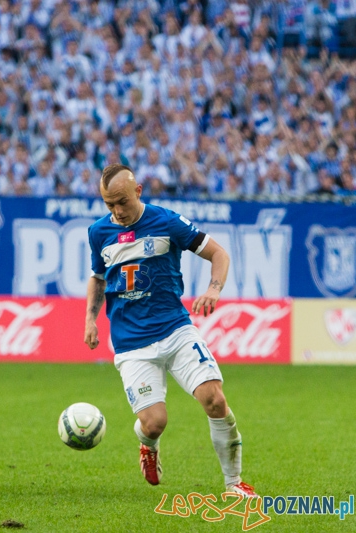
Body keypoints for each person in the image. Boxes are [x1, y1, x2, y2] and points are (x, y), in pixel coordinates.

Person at [83, 164, 257, 497]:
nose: (117, 211)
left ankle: (234, 484)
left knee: (214, 399)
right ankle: (148, 445)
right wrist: (90, 319)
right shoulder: (98, 232)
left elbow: (218, 253)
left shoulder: (166, 221)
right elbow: (98, 276)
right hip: (131, 343)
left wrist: (214, 290)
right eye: (109, 205)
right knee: (154, 423)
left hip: (176, 329)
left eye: (122, 201)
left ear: (138, 191)